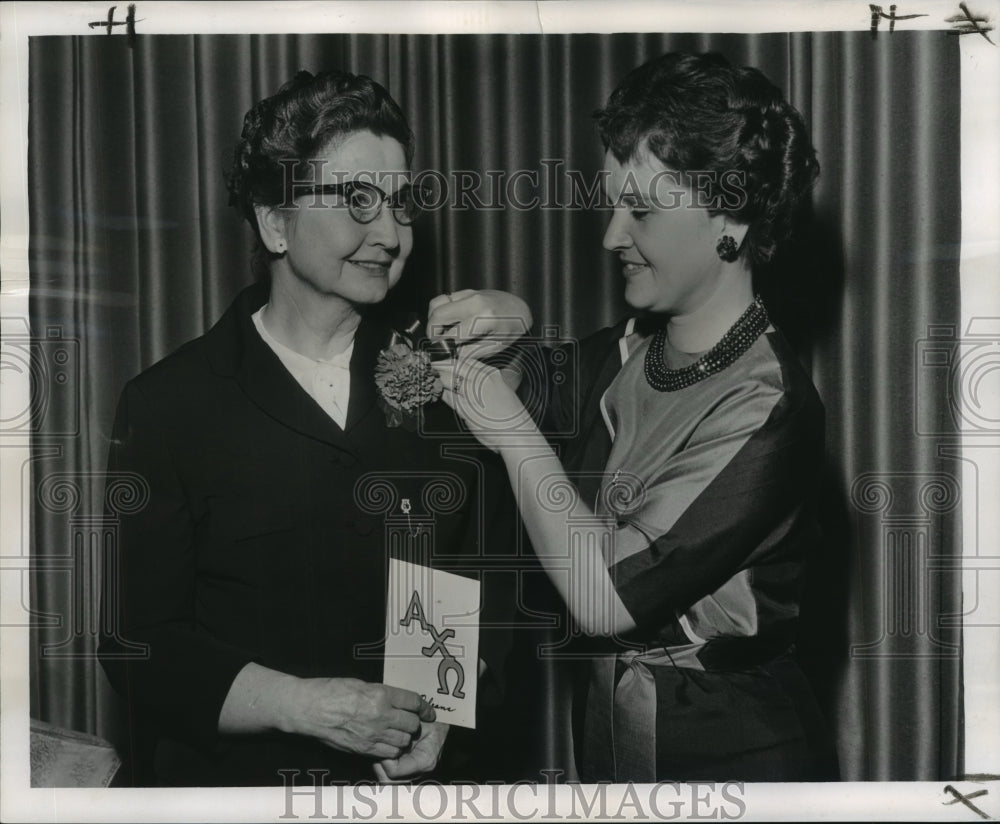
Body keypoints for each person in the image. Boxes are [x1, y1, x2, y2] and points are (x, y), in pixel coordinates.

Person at [98, 69, 529, 787]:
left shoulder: (443, 378)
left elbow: (478, 585)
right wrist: (305, 705)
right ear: (274, 220)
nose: (389, 234)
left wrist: (447, 712)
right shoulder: (168, 405)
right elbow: (138, 646)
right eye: (358, 200)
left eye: (401, 204)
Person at [432, 52, 839, 782]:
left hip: (735, 754)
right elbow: (500, 396)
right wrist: (510, 321)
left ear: (732, 217)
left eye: (642, 210)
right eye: (614, 204)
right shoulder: (631, 351)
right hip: (613, 734)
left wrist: (519, 436)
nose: (611, 235)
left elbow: (604, 599)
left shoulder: (768, 404)